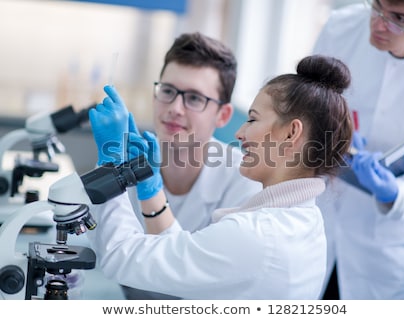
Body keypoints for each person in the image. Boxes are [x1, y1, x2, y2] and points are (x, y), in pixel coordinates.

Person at [86, 54, 353, 299]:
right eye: (167, 91)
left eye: (252, 120)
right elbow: (186, 255)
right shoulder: (306, 220)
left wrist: (112, 167)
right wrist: (152, 189)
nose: (240, 134)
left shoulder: (257, 235)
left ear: (291, 133)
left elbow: (121, 257)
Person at [90, 32, 262, 299]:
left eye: (194, 98)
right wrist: (109, 174)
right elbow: (97, 249)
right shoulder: (126, 155)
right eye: (168, 91)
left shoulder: (243, 182)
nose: (175, 108)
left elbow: (200, 282)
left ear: (223, 115)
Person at [312, 0, 404, 299]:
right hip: (320, 213)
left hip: (388, 246)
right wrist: (330, 131)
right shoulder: (341, 27)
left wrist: (396, 194)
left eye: (398, 19)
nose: (377, 23)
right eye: (376, 6)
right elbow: (306, 106)